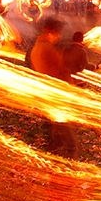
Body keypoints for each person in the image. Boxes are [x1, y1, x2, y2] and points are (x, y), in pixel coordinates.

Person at [30, 18, 79, 159]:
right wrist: (71, 85)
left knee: (55, 127)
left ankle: (53, 152)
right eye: (58, 33)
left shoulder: (37, 47)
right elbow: (58, 72)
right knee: (67, 132)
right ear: (51, 32)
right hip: (56, 95)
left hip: (47, 94)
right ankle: (71, 158)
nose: (60, 36)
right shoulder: (46, 49)